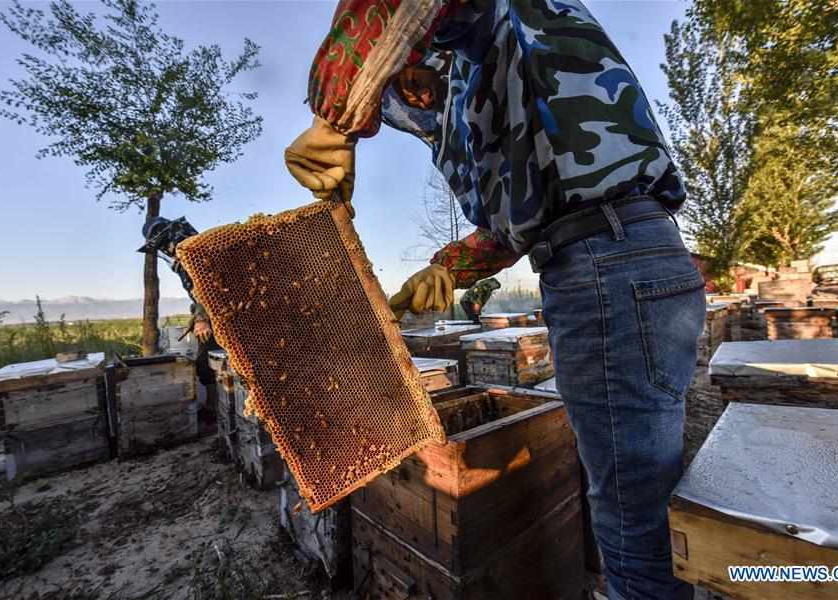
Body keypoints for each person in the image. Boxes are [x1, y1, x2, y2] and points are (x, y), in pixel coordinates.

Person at [285, 2, 705, 598]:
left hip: (606, 262)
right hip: (614, 258)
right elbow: (522, 216)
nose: (415, 98)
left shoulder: (494, 19)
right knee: (637, 500)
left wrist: (337, 114)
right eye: (402, 99)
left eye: (409, 78)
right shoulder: (501, 89)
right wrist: (447, 269)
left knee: (631, 526)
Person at [139, 217, 220, 421]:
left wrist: (201, 317)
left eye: (161, 246)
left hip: (218, 314)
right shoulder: (191, 250)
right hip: (216, 313)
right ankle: (220, 407)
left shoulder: (192, 251)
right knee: (211, 362)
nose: (163, 251)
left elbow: (206, 285)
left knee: (207, 362)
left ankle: (215, 409)